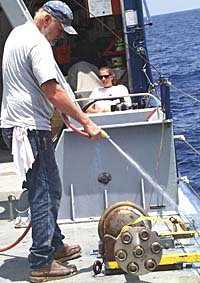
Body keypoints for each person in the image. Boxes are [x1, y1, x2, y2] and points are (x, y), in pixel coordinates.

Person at [0, 1, 103, 282]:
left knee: (47, 188)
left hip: (19, 126)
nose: (61, 36)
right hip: (30, 130)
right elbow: (53, 91)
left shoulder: (18, 34)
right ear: (46, 19)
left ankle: (54, 245)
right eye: (59, 29)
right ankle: (41, 262)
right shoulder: (38, 44)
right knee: (45, 192)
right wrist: (87, 122)